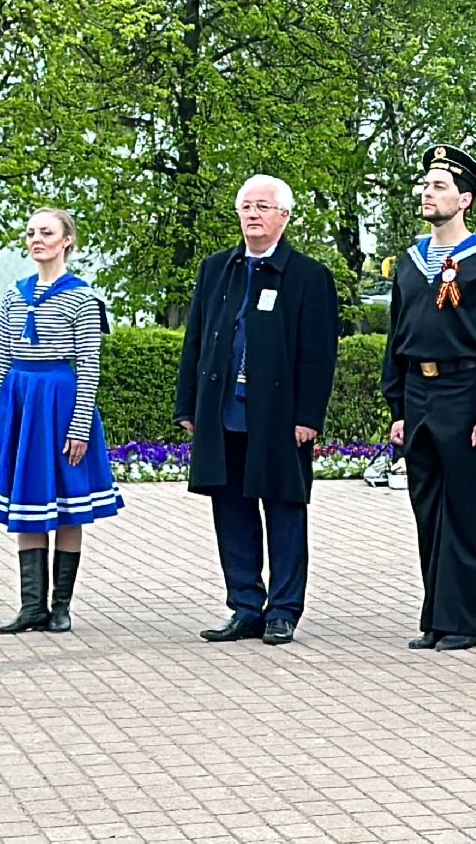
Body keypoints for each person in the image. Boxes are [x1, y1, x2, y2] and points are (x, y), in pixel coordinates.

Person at [175, 176, 340, 646]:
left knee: (285, 512)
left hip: (280, 419)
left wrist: (309, 416)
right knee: (232, 512)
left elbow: (318, 354)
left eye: (263, 206)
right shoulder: (217, 269)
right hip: (223, 413)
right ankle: (245, 605)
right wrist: (188, 404)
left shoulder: (307, 276)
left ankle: (284, 609)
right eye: (246, 205)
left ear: (283, 217)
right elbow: (196, 340)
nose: (253, 214)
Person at [382, 145, 476, 652]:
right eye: (425, 184)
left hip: (464, 393)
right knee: (427, 510)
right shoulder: (409, 262)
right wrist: (397, 406)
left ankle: (463, 621)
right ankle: (435, 617)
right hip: (418, 393)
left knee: (463, 511)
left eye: (439, 185)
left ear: (464, 199)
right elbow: (395, 337)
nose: (428, 191)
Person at [0, 208, 121, 635]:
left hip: (60, 404)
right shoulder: (13, 294)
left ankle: (60, 606)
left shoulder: (83, 297)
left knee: (65, 505)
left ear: (66, 241)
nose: (36, 239)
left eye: (46, 232)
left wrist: (79, 427)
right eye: (31, 233)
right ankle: (31, 607)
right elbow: (1, 357)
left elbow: (88, 365)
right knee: (26, 501)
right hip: (21, 403)